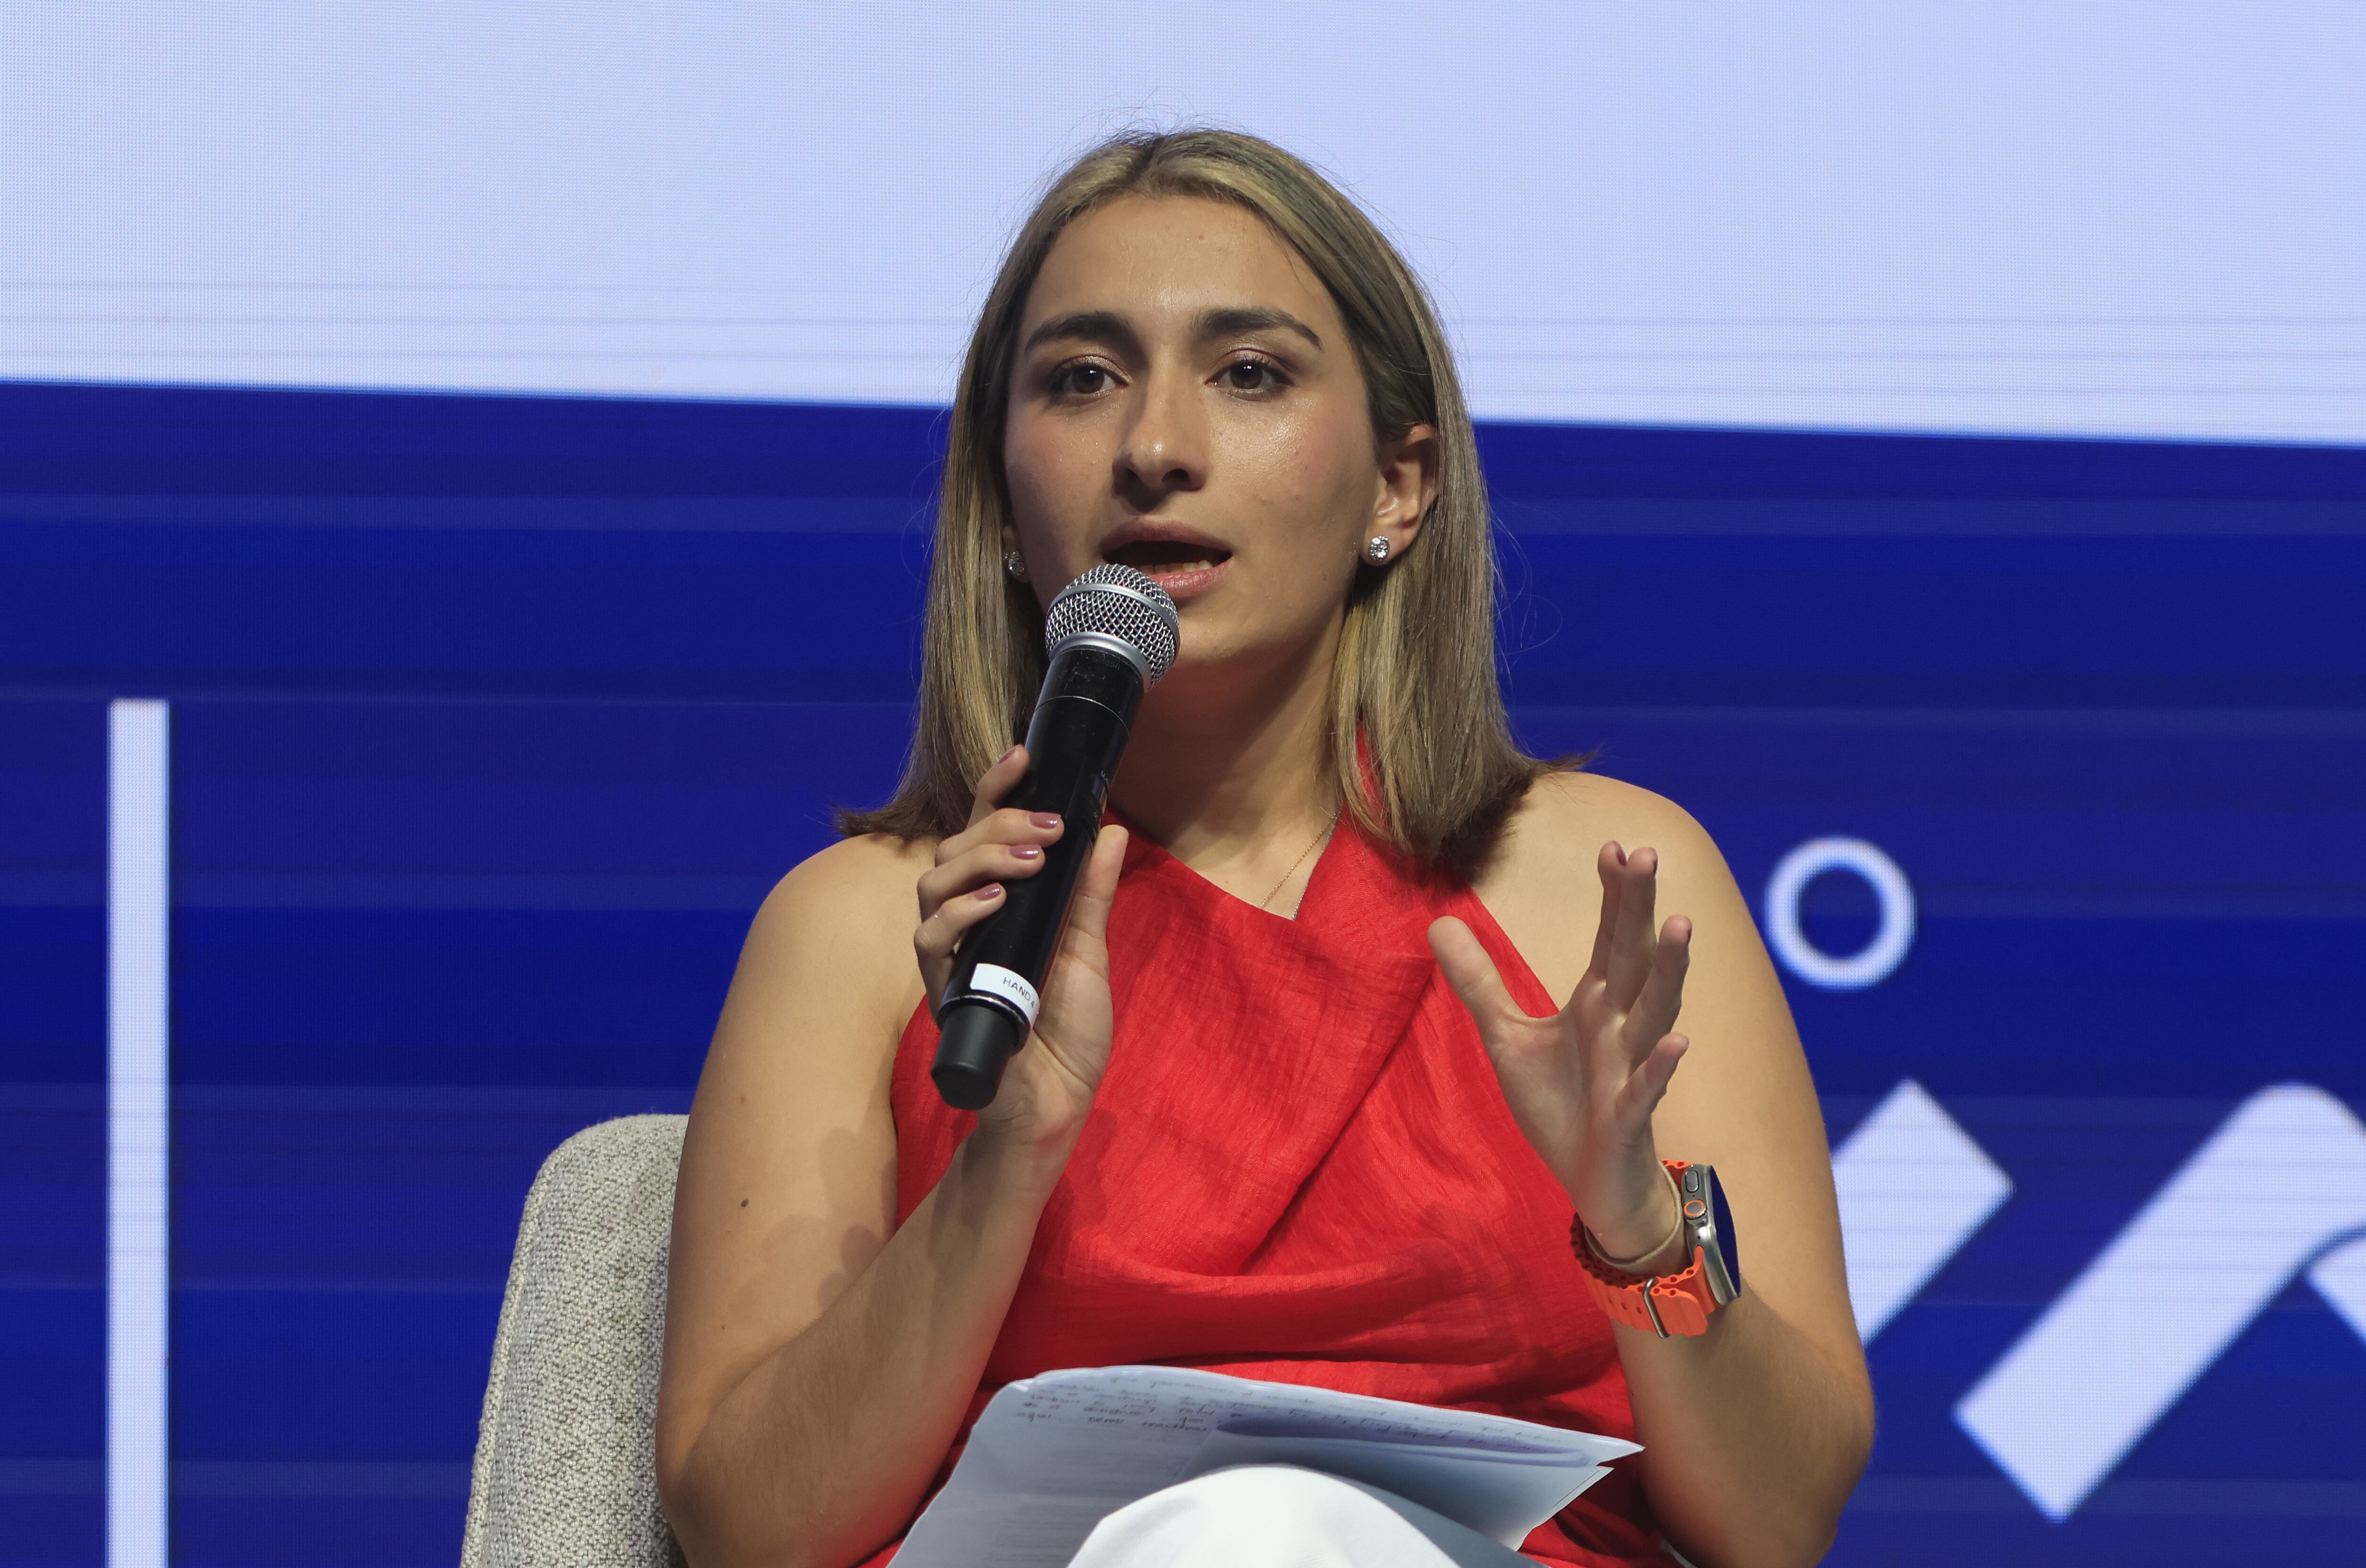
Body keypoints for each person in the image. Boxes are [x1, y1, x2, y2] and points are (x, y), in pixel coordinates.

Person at [654, 129, 1872, 1568]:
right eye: (1082, 378)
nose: (1157, 445)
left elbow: (1780, 1522)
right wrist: (1006, 1162)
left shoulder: (1603, 884)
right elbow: (750, 1530)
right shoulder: (868, 926)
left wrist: (1634, 1221)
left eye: (1250, 374)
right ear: (995, 503)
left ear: (1396, 489)